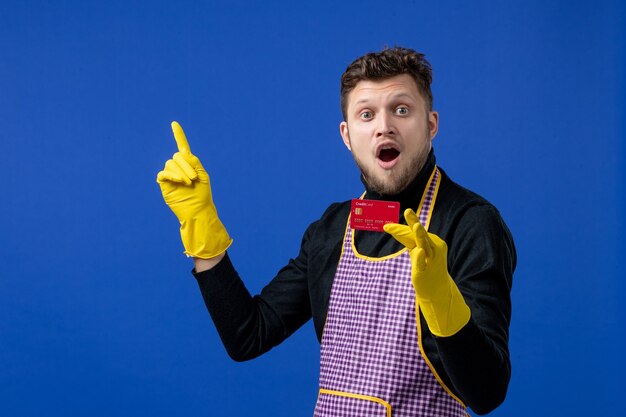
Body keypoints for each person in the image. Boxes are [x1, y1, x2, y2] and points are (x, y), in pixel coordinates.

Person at [157, 46, 516, 416]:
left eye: (402, 109)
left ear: (431, 124)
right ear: (347, 135)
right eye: (366, 114)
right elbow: (248, 335)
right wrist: (201, 226)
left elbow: (486, 393)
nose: (384, 126)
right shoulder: (332, 228)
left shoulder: (470, 222)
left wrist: (442, 299)